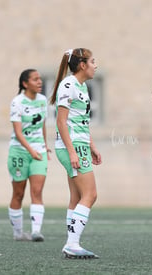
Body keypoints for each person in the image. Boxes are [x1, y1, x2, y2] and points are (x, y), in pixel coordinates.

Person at [49, 48, 102, 259]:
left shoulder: (82, 87)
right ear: (82, 65)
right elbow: (61, 122)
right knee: (91, 195)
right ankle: (72, 244)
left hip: (80, 146)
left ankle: (72, 243)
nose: (96, 65)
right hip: (72, 147)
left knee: (77, 197)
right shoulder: (68, 85)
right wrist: (73, 152)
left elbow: (81, 123)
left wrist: (92, 146)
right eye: (93, 61)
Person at [7, 69, 50, 242]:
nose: (39, 82)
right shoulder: (17, 102)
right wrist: (31, 150)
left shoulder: (42, 100)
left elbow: (43, 125)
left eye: (40, 78)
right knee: (18, 193)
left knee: (37, 191)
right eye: (35, 79)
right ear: (25, 83)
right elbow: (18, 132)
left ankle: (36, 232)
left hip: (38, 151)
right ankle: (18, 233)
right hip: (19, 152)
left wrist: (45, 146)